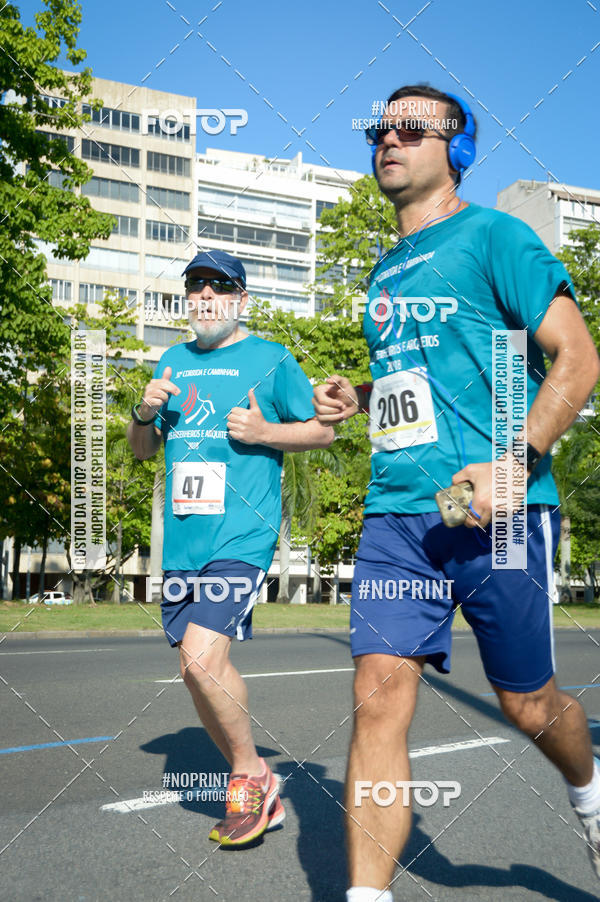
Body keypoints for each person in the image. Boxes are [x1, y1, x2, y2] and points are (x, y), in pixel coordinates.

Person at [313, 84, 600, 900]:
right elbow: (427, 382)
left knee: (529, 704)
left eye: (412, 127)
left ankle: (591, 797)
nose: (388, 138)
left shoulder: (496, 237)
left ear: (457, 148)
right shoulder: (384, 268)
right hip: (400, 515)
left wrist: (516, 463)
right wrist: (363, 395)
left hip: (497, 517)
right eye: (381, 127)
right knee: (376, 694)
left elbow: (577, 360)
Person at [127, 249, 333, 846]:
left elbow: (323, 429)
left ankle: (248, 777)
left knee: (198, 659)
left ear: (241, 300)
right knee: (198, 671)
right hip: (183, 542)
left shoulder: (270, 359)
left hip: (242, 536)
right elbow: (142, 450)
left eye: (219, 289)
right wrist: (144, 411)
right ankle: (255, 775)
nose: (206, 299)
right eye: (196, 289)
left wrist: (266, 432)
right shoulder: (171, 360)